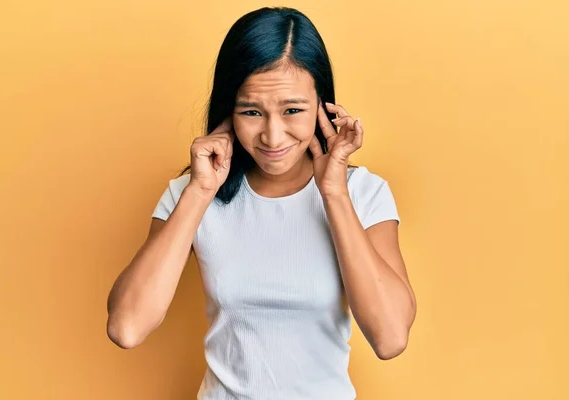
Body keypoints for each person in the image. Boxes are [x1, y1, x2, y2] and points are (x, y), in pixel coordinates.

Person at [106, 6, 417, 400]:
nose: (272, 136)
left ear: (323, 106)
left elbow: (390, 338)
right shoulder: (194, 193)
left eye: (293, 110)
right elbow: (126, 327)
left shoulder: (363, 192)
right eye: (251, 111)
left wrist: (334, 192)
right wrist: (200, 193)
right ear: (228, 113)